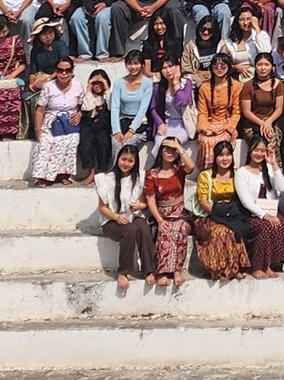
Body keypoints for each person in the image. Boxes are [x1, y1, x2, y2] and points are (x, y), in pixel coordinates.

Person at [191, 141, 252, 282]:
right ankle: (221, 270)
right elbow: (203, 201)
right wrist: (219, 213)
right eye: (221, 155)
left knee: (234, 229)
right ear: (215, 158)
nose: (225, 159)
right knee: (223, 231)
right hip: (209, 216)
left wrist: (228, 214)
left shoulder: (237, 175)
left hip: (231, 215)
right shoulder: (205, 176)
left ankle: (235, 268)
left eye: (228, 155)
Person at [95, 143, 152, 292]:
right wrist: (116, 217)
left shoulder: (140, 179)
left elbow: (144, 202)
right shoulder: (106, 180)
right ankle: (123, 271)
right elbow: (102, 208)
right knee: (129, 230)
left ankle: (149, 269)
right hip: (112, 221)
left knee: (144, 228)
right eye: (123, 159)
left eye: (130, 161)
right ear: (118, 159)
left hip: (133, 216)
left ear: (135, 162)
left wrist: (141, 206)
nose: (126, 163)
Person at [143, 138, 193, 288]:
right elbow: (150, 199)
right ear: (160, 151)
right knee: (165, 231)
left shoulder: (179, 169)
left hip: (180, 215)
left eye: (173, 150)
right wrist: (159, 219)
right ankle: (163, 271)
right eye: (167, 149)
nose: (171, 153)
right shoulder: (151, 174)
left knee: (180, 229)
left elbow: (191, 167)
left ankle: (177, 270)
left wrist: (178, 146)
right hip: (162, 215)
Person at [29, 58, 83, 184]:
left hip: (70, 121)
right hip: (51, 120)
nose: (64, 74)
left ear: (72, 71)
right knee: (46, 141)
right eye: (60, 70)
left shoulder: (78, 85)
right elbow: (40, 110)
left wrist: (79, 114)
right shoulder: (48, 86)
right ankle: (43, 177)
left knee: (71, 140)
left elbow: (81, 105)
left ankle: (63, 175)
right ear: (56, 71)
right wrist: (38, 129)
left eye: (67, 70)